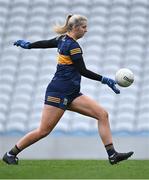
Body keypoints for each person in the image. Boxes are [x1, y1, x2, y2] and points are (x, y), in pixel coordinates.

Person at [3, 14, 133, 165]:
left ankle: (112, 155)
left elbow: (46, 43)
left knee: (102, 114)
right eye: (84, 27)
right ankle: (10, 154)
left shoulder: (63, 39)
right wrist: (105, 80)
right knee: (43, 131)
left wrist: (29, 44)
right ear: (76, 27)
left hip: (71, 93)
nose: (86, 30)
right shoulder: (73, 46)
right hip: (58, 92)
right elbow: (82, 70)